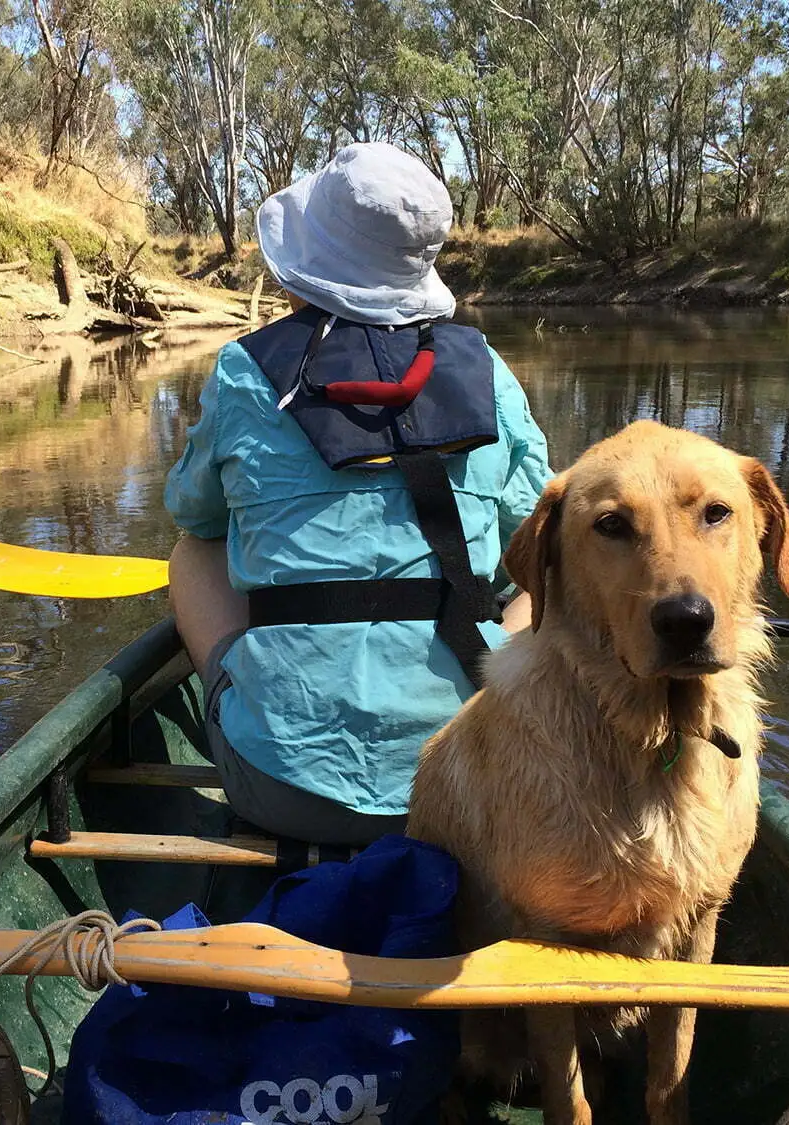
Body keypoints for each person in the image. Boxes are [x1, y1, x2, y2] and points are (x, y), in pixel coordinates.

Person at [163, 141, 550, 847]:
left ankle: (249, 694)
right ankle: (498, 695)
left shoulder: (248, 372)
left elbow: (192, 512)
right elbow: (542, 543)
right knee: (551, 571)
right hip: (471, 779)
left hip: (282, 785)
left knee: (192, 551)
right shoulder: (487, 370)